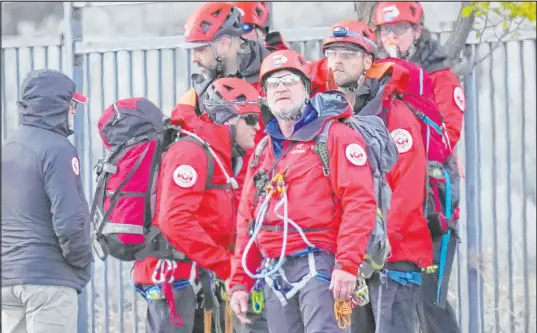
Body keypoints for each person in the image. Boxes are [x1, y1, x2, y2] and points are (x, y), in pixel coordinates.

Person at [228, 49, 378, 333]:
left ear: (307, 89)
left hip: (320, 265)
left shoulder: (335, 138)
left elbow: (359, 202)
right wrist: (239, 283)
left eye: (289, 80)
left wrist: (347, 264)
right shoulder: (263, 151)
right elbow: (246, 221)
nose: (281, 87)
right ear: (264, 96)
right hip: (274, 271)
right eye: (273, 83)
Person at [322, 20, 435, 332]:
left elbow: (408, 191)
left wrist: (370, 247)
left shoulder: (393, 114)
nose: (338, 61)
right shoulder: (327, 118)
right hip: (352, 259)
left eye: (347, 53)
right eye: (331, 53)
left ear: (368, 61)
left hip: (394, 256)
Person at [132, 78, 261, 333]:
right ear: (229, 119)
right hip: (173, 278)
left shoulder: (219, 154)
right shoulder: (191, 153)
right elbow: (175, 221)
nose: (258, 127)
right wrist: (225, 264)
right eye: (251, 119)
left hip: (192, 276)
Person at [374, 3, 463, 332]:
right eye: (385, 30)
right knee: (398, 303)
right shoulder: (377, 77)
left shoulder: (441, 79)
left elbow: (447, 137)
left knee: (431, 303)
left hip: (432, 207)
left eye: (399, 28)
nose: (392, 36)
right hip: (392, 204)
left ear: (417, 31)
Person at [1, 69, 92, 333]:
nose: (73, 111)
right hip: (48, 281)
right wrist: (81, 263)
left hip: (7, 280)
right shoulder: (58, 148)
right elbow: (69, 220)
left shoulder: (8, 149)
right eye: (72, 104)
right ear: (58, 104)